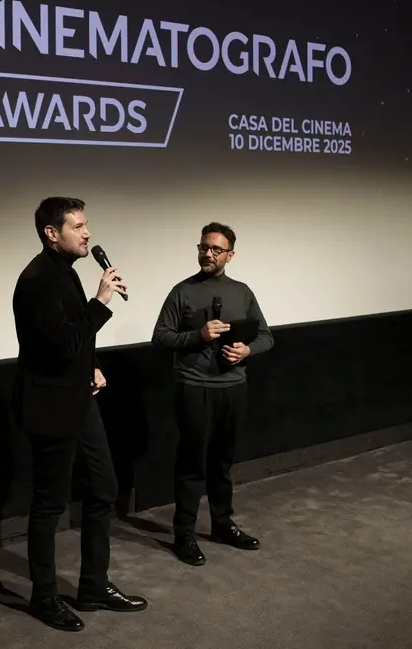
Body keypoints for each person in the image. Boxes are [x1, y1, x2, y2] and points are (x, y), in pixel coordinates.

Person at [11, 197, 148, 630]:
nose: (88, 233)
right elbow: (59, 345)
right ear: (52, 233)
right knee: (49, 506)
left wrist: (93, 365)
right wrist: (101, 301)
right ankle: (44, 597)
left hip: (79, 398)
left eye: (87, 225)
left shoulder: (66, 272)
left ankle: (93, 586)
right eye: (78, 226)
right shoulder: (37, 280)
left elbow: (72, 339)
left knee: (105, 488)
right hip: (50, 405)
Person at [151, 222, 274, 565]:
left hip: (233, 388)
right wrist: (198, 336)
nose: (208, 254)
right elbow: (160, 338)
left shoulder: (242, 292)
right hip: (194, 388)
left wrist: (247, 351)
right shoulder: (182, 292)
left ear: (230, 255)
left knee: (222, 462)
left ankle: (222, 524)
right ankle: (184, 534)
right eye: (204, 247)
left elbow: (266, 336)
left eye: (216, 249)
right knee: (192, 464)